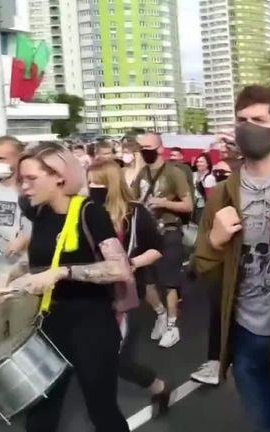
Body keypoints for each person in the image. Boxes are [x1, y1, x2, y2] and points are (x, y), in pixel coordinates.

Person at [193, 85, 270, 430]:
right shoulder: (222, 194)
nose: (247, 127)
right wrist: (214, 242)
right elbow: (204, 272)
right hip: (245, 336)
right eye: (241, 119)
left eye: (258, 120)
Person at [6, 142, 132, 432]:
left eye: (31, 179)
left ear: (59, 176)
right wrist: (15, 278)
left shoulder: (90, 212)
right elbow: (43, 260)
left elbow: (119, 268)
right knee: (40, 413)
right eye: (22, 179)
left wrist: (62, 273)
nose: (24, 187)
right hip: (50, 325)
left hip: (92, 326)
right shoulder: (40, 215)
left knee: (102, 411)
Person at [86, 160, 171, 413]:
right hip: (90, 293)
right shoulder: (84, 210)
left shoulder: (134, 213)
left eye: (96, 182)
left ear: (110, 183)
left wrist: (130, 263)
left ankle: (158, 387)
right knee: (92, 355)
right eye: (88, 181)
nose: (90, 187)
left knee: (114, 358)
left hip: (122, 294)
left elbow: (158, 248)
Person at [132, 132, 193, 348]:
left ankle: (172, 326)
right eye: (141, 147)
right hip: (147, 235)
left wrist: (163, 203)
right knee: (146, 280)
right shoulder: (141, 173)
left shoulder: (174, 173)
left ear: (160, 148)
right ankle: (160, 315)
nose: (144, 151)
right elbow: (134, 199)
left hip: (168, 231)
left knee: (169, 282)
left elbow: (188, 206)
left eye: (148, 147)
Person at [0, 137, 37, 343]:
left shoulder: (29, 188)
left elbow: (42, 225)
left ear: (19, 158)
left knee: (20, 334)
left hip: (24, 273)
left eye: (2, 158)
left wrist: (24, 238)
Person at [193, 153, 217, 224]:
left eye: (201, 162)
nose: (198, 164)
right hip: (195, 206)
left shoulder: (209, 178)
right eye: (197, 162)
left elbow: (210, 198)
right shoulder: (195, 175)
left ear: (207, 164)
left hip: (203, 208)